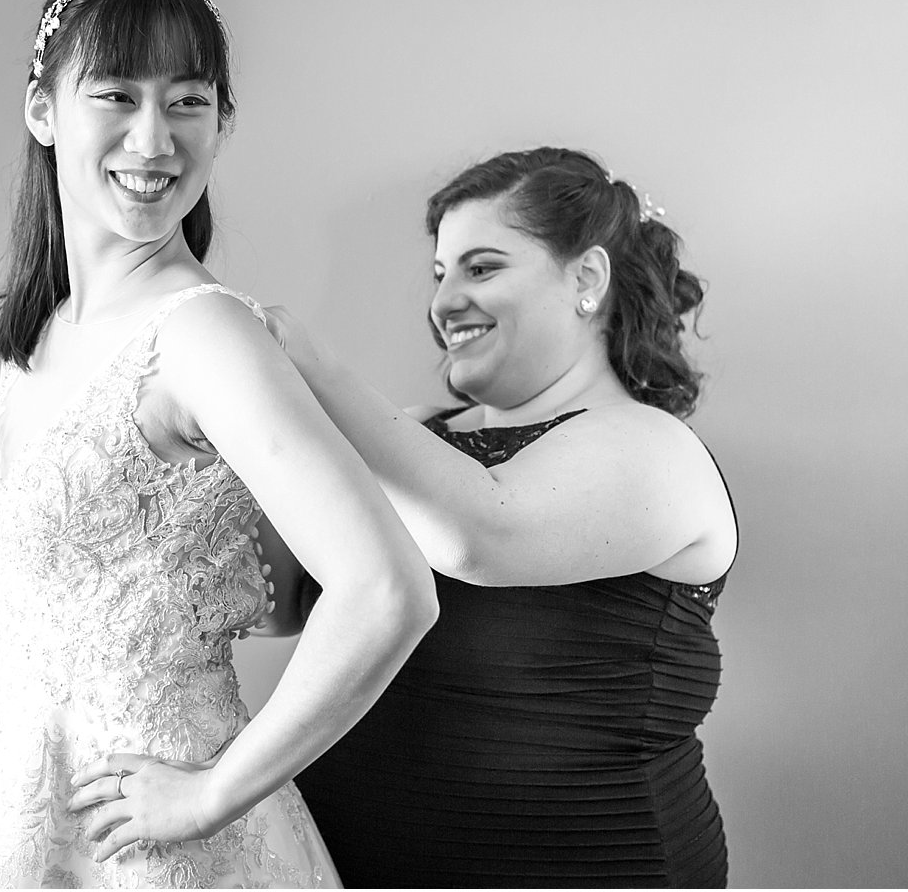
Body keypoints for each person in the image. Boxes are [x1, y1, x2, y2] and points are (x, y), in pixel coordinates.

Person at [0, 0, 438, 889]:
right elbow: (20, 609)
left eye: (187, 103)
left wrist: (208, 798)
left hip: (159, 848)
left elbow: (388, 592)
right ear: (43, 111)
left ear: (223, 122)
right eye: (116, 96)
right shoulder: (42, 336)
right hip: (21, 830)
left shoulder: (203, 335)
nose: (152, 140)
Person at [266, 147, 738, 887]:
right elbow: (277, 601)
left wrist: (307, 366)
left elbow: (478, 534)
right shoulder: (417, 432)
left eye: (481, 269)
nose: (444, 302)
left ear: (585, 279)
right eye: (439, 274)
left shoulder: (654, 449)